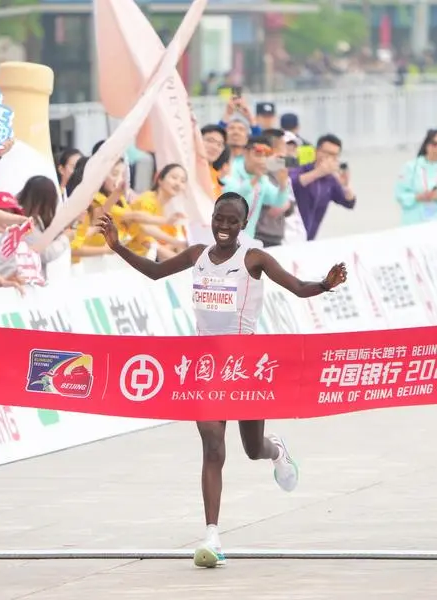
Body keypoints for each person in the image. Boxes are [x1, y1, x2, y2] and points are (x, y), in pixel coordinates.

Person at [96, 191, 347, 569]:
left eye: (232, 221)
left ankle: (275, 449)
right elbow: (154, 271)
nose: (224, 227)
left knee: (251, 448)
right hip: (206, 367)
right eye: (219, 218)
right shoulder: (197, 255)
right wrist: (117, 247)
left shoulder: (255, 259)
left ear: (244, 224)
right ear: (211, 218)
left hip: (244, 367)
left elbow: (297, 287)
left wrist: (325, 285)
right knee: (212, 447)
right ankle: (212, 535)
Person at [395, 129, 437, 225]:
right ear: (426, 145)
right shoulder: (411, 168)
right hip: (412, 224)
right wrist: (417, 197)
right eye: (434, 144)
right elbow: (400, 195)